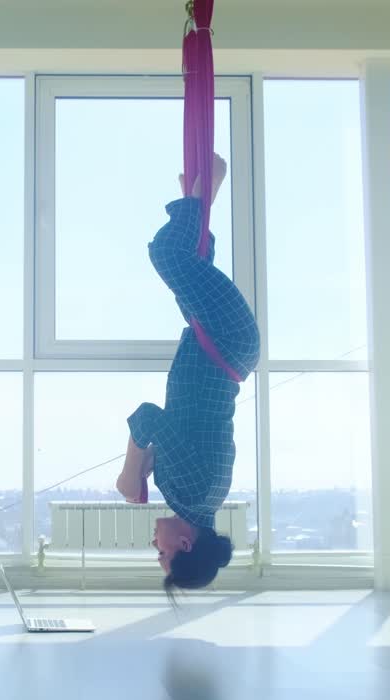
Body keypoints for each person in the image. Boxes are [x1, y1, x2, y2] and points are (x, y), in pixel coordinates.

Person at [113, 152, 260, 593]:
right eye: (162, 552)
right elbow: (148, 416)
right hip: (225, 341)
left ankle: (199, 196)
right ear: (184, 544)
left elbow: (176, 430)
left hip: (215, 344)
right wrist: (130, 472)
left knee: (192, 264)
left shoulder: (193, 500)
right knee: (169, 256)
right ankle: (205, 188)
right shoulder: (192, 493)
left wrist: (147, 463)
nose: (154, 546)